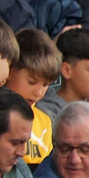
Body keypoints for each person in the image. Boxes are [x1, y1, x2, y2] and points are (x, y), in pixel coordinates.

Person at [10, 28, 62, 164]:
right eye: (32, 82)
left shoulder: (45, 122)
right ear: (10, 70)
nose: (38, 92)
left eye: (45, 84)